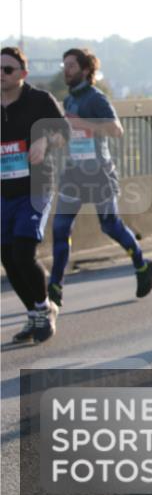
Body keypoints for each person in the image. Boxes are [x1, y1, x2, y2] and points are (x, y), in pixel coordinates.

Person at [48, 49, 152, 309]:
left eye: (71, 66)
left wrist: (83, 123)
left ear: (85, 70)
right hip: (74, 173)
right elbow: (71, 133)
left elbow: (116, 130)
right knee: (61, 228)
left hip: (99, 173)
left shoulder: (96, 98)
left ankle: (142, 266)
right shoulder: (70, 100)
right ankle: (54, 287)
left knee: (109, 226)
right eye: (65, 65)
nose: (66, 70)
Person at [1, 47, 69, 344]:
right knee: (7, 257)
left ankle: (45, 308)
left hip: (36, 187)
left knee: (22, 251)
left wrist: (43, 139)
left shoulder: (39, 100)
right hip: (4, 191)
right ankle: (33, 313)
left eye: (8, 70)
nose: (1, 75)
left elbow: (64, 133)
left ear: (23, 74)